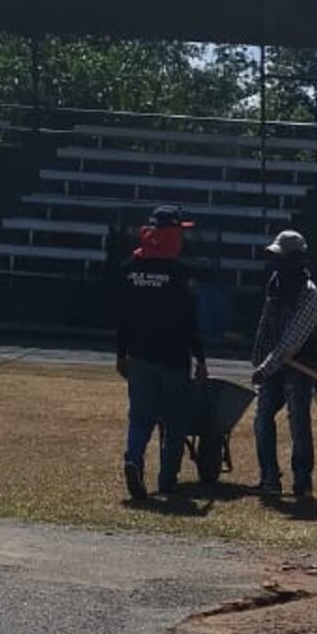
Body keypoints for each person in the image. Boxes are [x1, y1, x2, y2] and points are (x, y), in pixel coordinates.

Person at [115, 205, 205, 503]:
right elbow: (191, 322)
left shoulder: (129, 269)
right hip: (174, 360)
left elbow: (122, 316)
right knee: (175, 423)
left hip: (139, 357)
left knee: (140, 418)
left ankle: (134, 459)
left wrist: (121, 354)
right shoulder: (182, 273)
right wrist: (201, 358)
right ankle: (167, 482)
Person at [251, 229, 317, 502]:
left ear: (296, 259)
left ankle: (302, 482)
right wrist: (259, 359)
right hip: (272, 364)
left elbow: (292, 340)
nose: (276, 264)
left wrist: (265, 367)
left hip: (299, 365)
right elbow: (265, 325)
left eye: (282, 258)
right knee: (262, 419)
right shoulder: (275, 283)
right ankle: (269, 477)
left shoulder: (309, 293)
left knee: (299, 423)